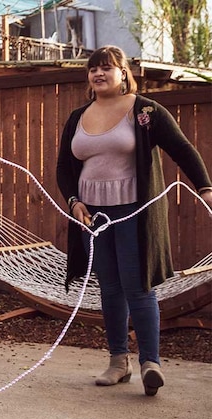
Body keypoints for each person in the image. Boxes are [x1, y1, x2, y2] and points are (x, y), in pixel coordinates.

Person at [56, 45, 212, 396]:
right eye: (93, 68)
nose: (99, 73)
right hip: (93, 215)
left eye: (107, 68)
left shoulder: (146, 111)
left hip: (135, 213)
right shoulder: (78, 117)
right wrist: (74, 201)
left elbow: (183, 149)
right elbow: (64, 168)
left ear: (123, 73)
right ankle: (118, 361)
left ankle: (150, 363)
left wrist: (205, 188)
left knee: (138, 285)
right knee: (109, 288)